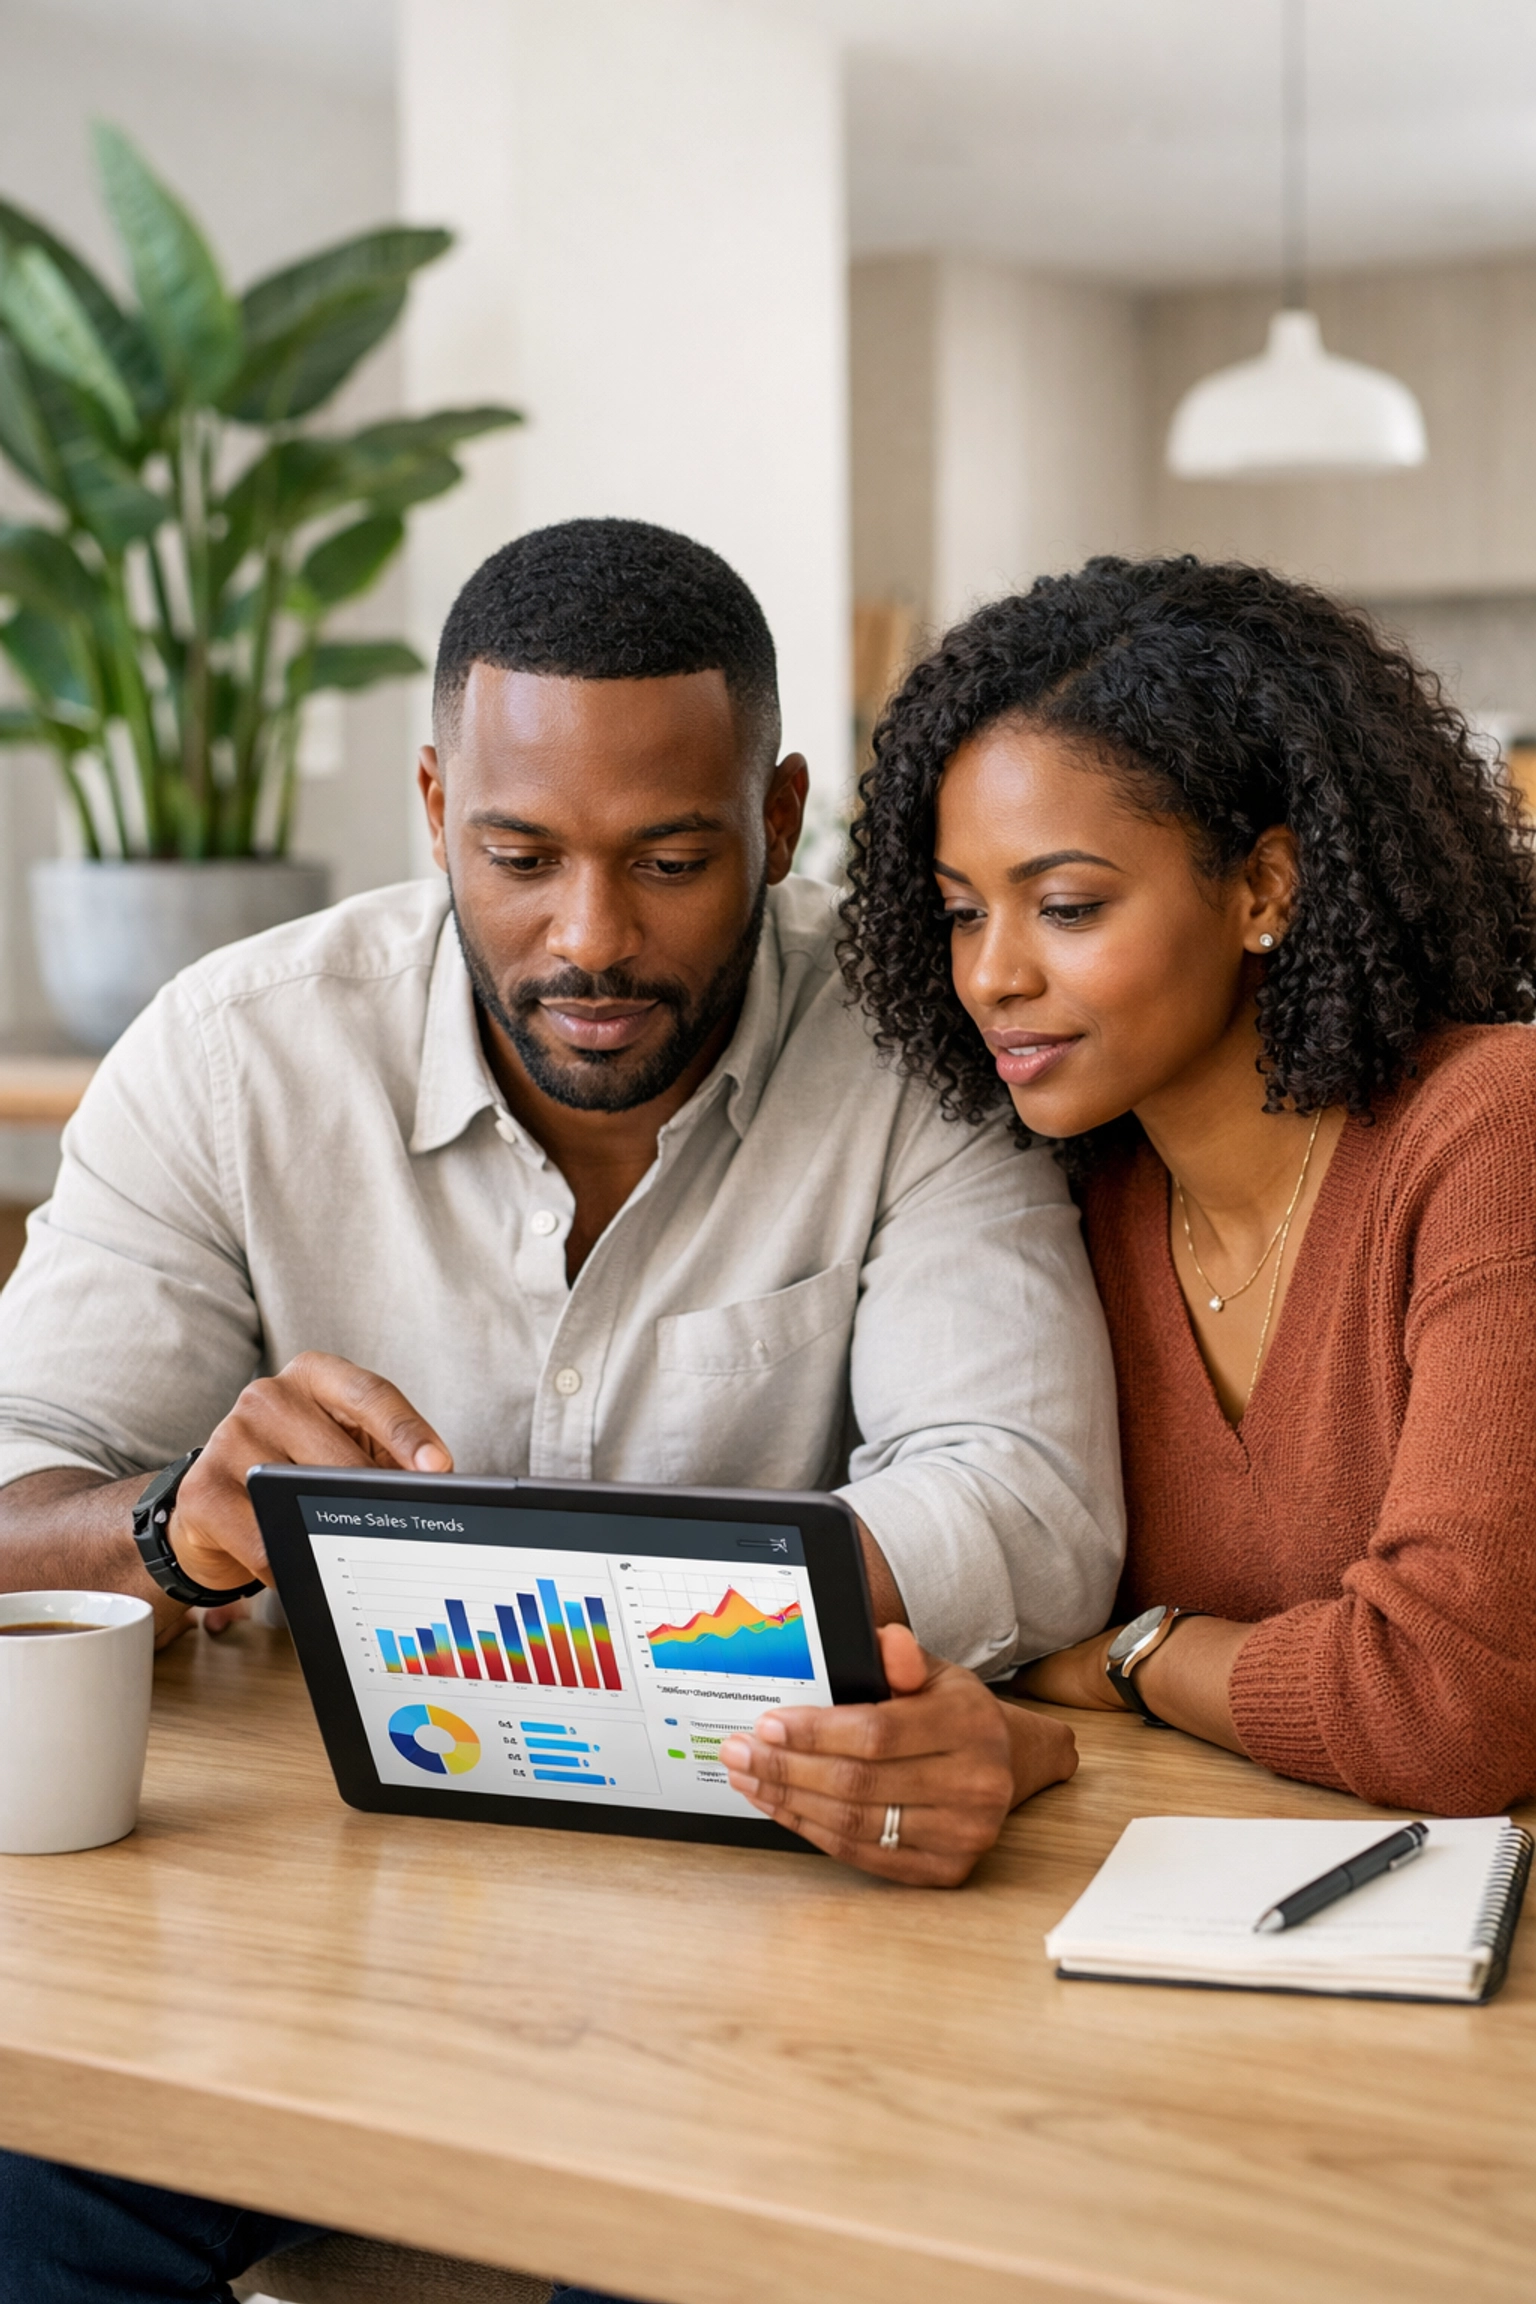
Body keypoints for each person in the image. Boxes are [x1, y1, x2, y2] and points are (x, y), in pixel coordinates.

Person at [0, 518, 1121, 2304]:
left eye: (672, 858)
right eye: (517, 855)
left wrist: (533, 1608)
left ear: (777, 817)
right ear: (436, 801)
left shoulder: (916, 1048)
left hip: (768, 1925)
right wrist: (170, 1520)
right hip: (305, 1906)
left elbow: (1031, 1497)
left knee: (717, 2245)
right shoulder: (232, 1052)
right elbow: (8, 1482)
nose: (589, 937)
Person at [841, 552, 1536, 1818]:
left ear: (1264, 888)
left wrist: (1132, 1656)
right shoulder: (1071, 1193)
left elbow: (1443, 1709)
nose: (992, 975)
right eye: (958, 914)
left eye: (1064, 905)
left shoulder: (1492, 1135)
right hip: (1184, 1882)